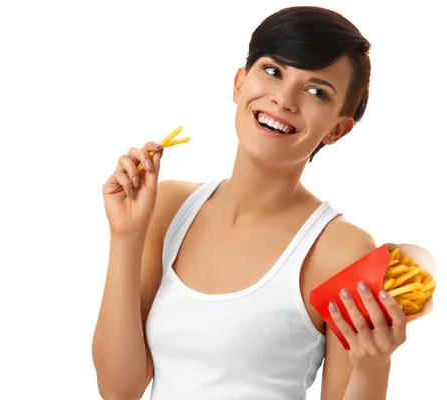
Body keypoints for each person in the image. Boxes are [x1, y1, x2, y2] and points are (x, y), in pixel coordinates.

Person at [92, 5, 408, 400]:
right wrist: (125, 237)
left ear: (337, 130)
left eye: (316, 91)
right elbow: (118, 390)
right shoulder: (168, 207)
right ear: (239, 83)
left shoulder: (342, 251)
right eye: (273, 71)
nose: (284, 99)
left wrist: (374, 366)